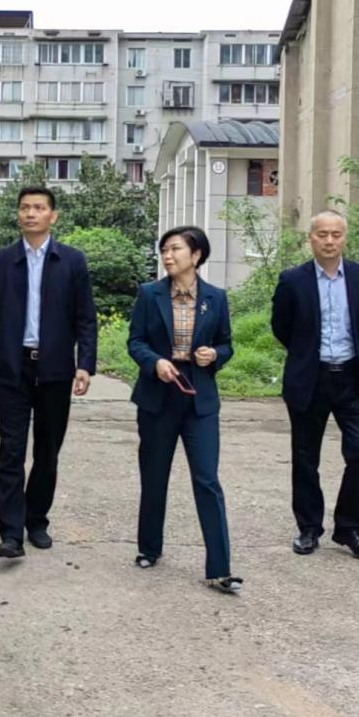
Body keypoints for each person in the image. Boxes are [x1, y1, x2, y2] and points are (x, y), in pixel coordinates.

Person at [0, 186, 97, 558]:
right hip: (12, 370)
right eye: (25, 207)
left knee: (47, 451)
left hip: (55, 369)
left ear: (52, 216)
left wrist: (85, 364)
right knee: (11, 451)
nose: (31, 213)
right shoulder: (1, 261)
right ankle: (11, 533)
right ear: (18, 214)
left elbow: (86, 318)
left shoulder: (72, 261)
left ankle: (36, 519)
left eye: (39, 208)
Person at [126, 226, 242, 592]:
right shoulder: (150, 294)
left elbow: (226, 344)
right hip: (158, 393)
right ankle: (149, 548)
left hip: (199, 396)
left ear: (196, 255)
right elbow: (135, 341)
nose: (168, 256)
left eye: (175, 249)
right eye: (164, 250)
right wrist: (155, 362)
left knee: (207, 479)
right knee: (154, 475)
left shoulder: (216, 298)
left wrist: (214, 354)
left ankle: (220, 568)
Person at [271, 209, 359, 562]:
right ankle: (309, 527)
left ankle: (349, 527)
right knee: (306, 458)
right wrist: (306, 354)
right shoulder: (293, 280)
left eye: (336, 234)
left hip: (351, 378)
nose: (329, 241)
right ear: (311, 239)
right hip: (310, 378)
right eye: (322, 234)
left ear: (344, 238)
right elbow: (281, 327)